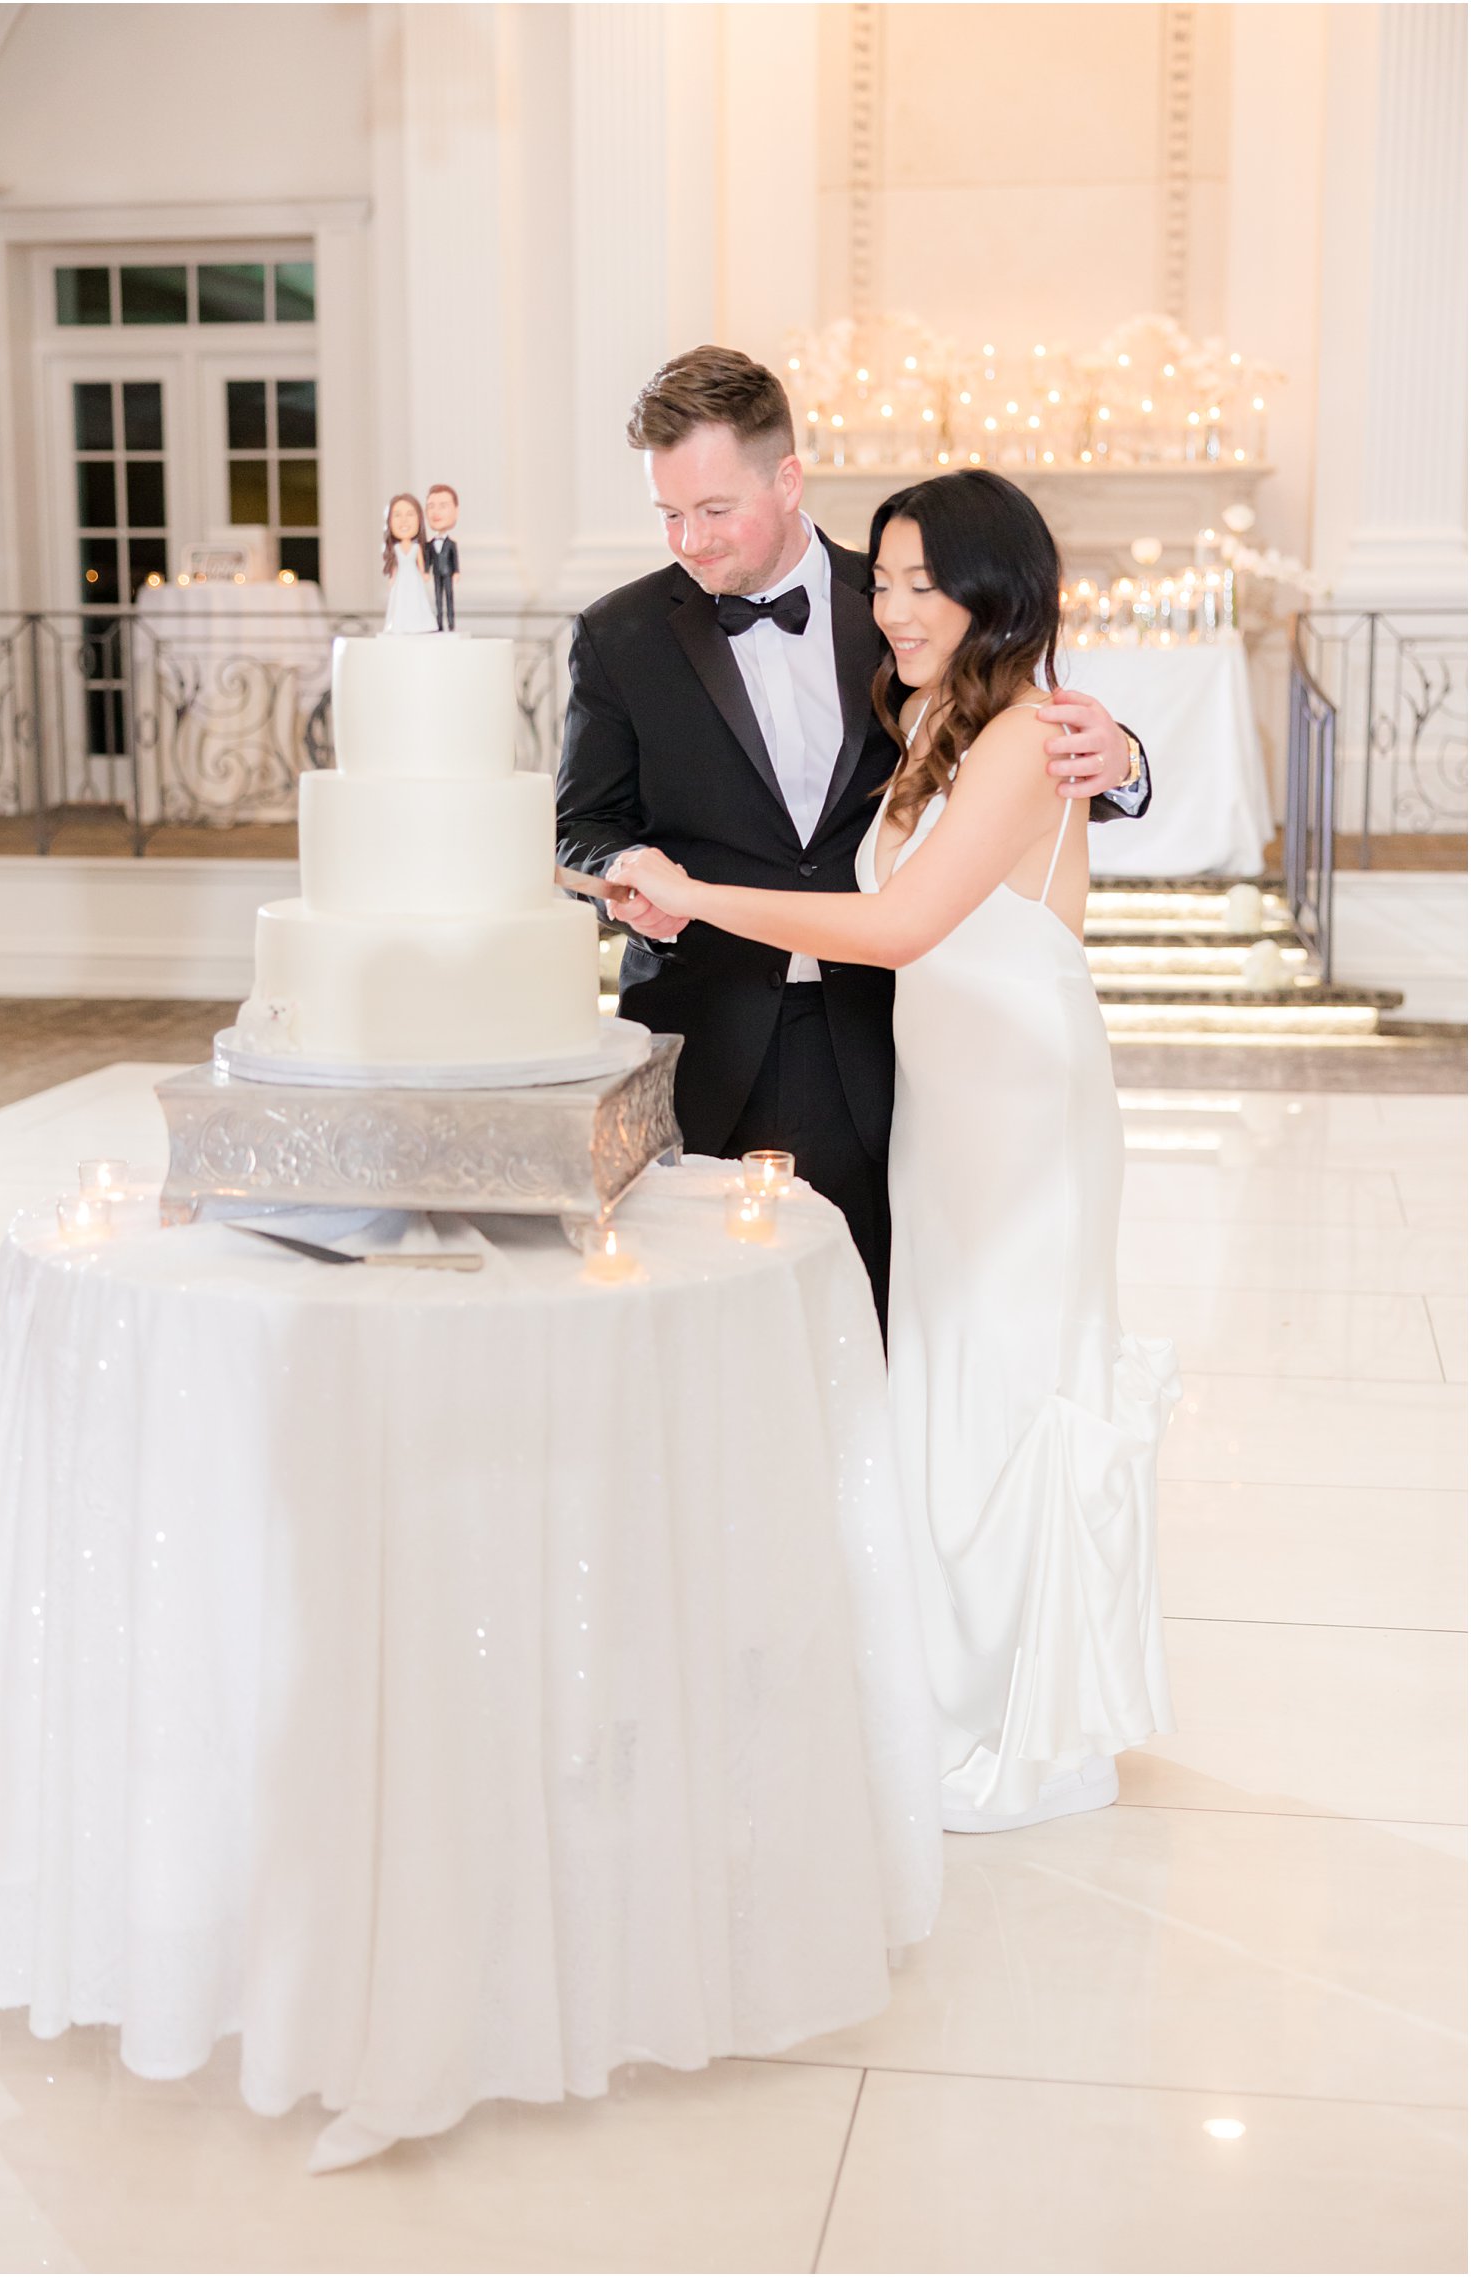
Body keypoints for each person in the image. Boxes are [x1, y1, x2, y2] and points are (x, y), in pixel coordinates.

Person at [615, 469, 1179, 1836]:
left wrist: (692, 901)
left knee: (1009, 1374)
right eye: (886, 579)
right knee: (946, 1375)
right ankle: (952, 1686)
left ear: (1000, 590)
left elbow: (904, 923)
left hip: (1023, 1103)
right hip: (944, 1098)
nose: (894, 605)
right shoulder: (930, 713)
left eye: (926, 583)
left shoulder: (1027, 732)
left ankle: (1026, 1727)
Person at [555, 347, 1149, 1322]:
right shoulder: (616, 636)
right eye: (667, 514)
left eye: (713, 510)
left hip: (884, 1036)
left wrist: (1122, 758)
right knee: (712, 1328)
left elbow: (1012, 725)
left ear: (785, 478)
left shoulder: (901, 605)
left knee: (893, 1323)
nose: (689, 542)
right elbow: (581, 824)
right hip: (706, 1026)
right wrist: (622, 868)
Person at [382, 493, 436, 634]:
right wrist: (393, 578)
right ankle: (400, 624)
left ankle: (419, 623)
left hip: (413, 577)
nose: (404, 520)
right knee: (401, 600)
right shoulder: (396, 548)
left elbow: (420, 563)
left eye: (410, 514)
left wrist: (424, 573)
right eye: (397, 515)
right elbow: (394, 566)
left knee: (415, 599)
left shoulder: (416, 547)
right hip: (401, 578)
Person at [425, 483, 461, 631]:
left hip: (448, 573)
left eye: (443, 505)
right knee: (438, 599)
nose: (436, 512)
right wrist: (426, 571)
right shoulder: (430, 544)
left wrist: (456, 572)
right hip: (436, 574)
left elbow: (455, 559)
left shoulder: (451, 544)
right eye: (431, 506)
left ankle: (451, 623)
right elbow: (428, 559)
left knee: (449, 598)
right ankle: (439, 623)